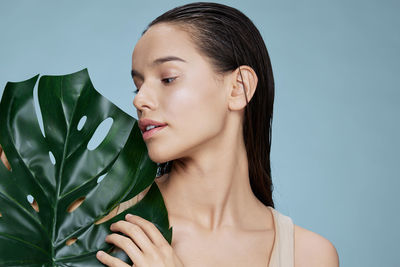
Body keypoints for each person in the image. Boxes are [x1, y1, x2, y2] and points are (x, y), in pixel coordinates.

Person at [0, 2, 339, 266]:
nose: (139, 99)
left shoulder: (309, 256)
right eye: (137, 84)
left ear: (238, 87)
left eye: (168, 78)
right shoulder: (90, 221)